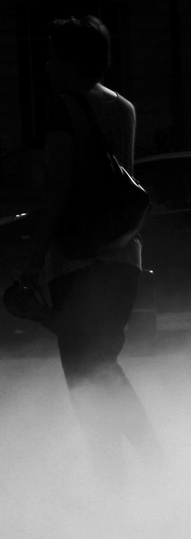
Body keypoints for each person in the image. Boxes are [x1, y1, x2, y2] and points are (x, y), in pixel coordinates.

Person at [12, 15, 159, 483]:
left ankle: (133, 481)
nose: (47, 64)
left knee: (87, 382)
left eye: (54, 54)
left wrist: (33, 265)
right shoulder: (124, 108)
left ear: (73, 60)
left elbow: (59, 191)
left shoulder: (61, 108)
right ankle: (150, 472)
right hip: (123, 258)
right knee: (103, 369)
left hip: (77, 260)